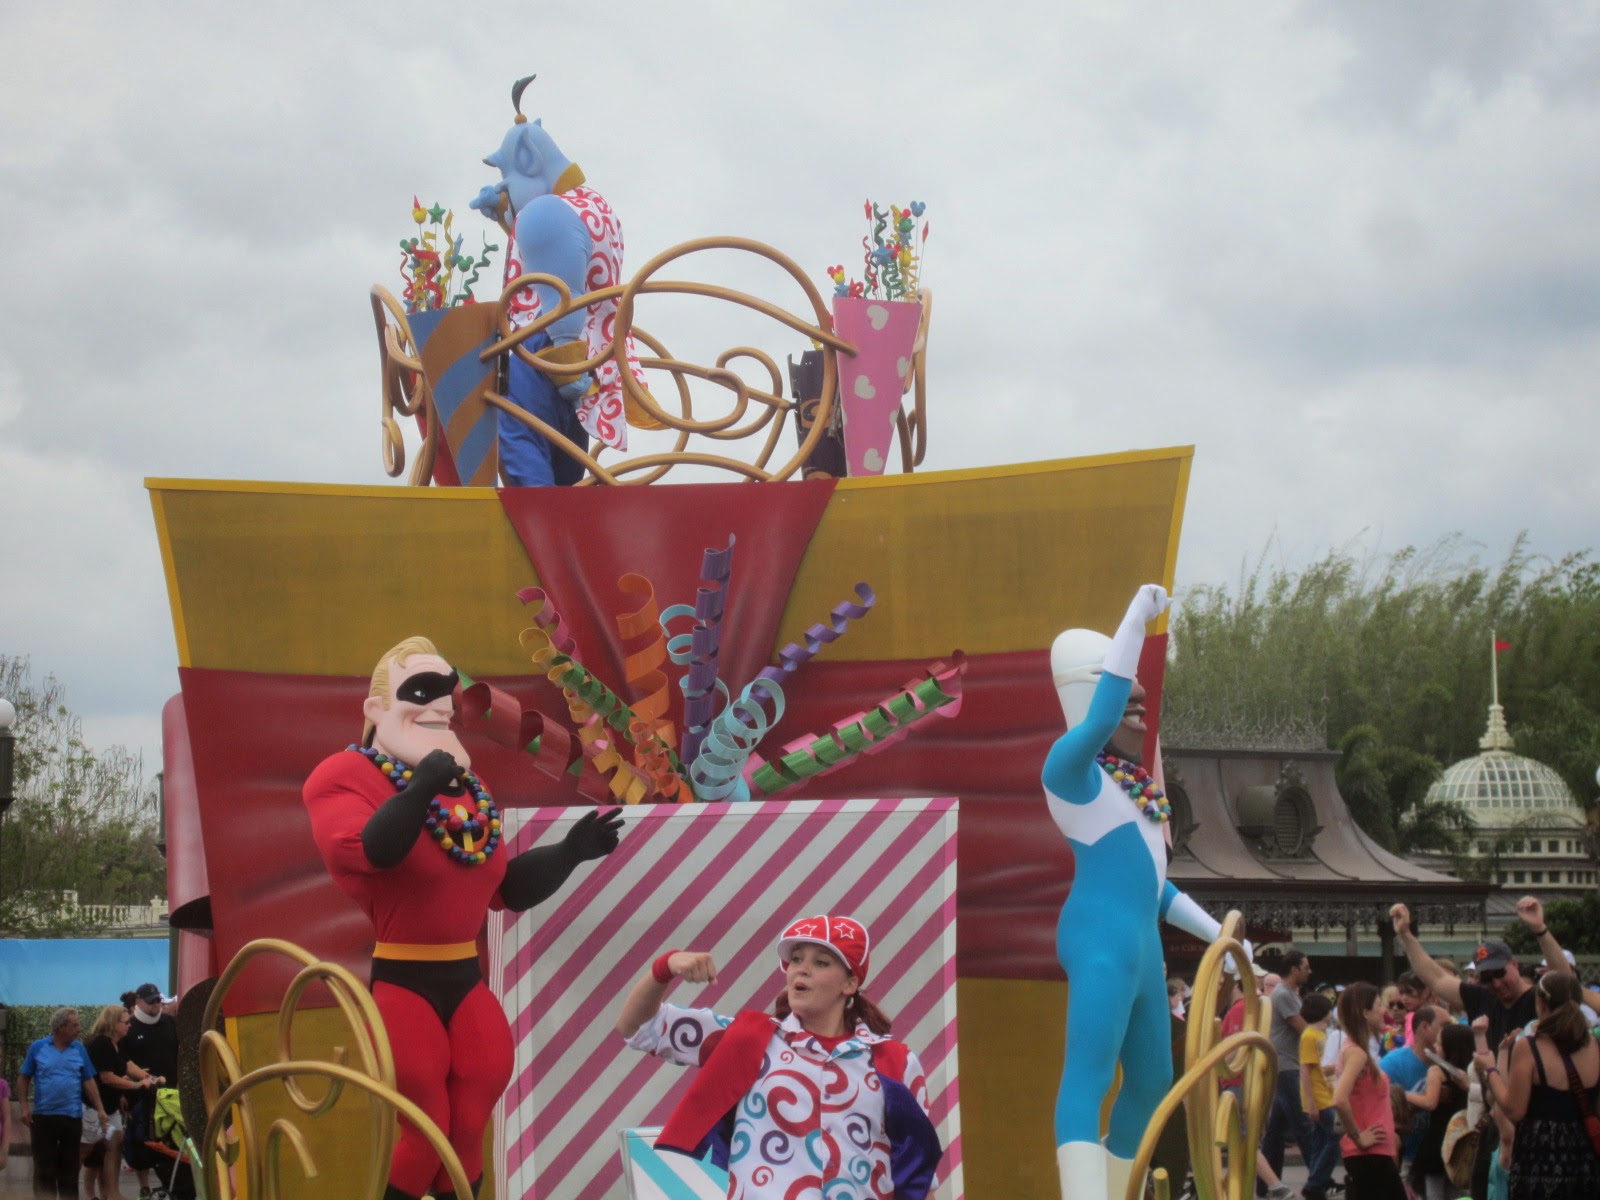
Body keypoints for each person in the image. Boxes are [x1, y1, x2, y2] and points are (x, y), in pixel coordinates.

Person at [303, 636, 625, 1200]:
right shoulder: (343, 775)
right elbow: (373, 850)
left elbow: (503, 890)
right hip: (404, 984)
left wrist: (570, 852)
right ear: (377, 708)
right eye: (421, 691)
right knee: (425, 1132)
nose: (440, 705)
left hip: (465, 981)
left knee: (469, 1127)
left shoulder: (469, 789)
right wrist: (422, 785)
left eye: (447, 693)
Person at [1043, 584, 1240, 1200]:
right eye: (1126, 699)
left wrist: (1223, 939)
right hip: (1100, 940)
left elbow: (1155, 888)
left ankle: (1113, 1189)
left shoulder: (1137, 792)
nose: (1138, 709)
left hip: (1142, 945)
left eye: (1141, 701)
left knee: (1153, 1081)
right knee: (1090, 1077)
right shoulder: (1069, 772)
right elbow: (1100, 719)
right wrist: (1135, 621)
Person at [616, 914, 942, 1200]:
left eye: (821, 962)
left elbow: (921, 1175)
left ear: (850, 983)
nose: (802, 969)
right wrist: (664, 968)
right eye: (796, 959)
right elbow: (638, 1028)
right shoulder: (748, 1040)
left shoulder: (894, 1061)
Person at [1474, 972, 1600, 1200]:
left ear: (1541, 1004)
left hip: (1539, 1158)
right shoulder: (1594, 1045)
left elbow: (1514, 1110)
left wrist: (1490, 1069)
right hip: (1584, 1158)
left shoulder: (1529, 1047)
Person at [17, 1007, 110, 1197]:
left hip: (71, 1116)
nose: (79, 1029)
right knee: (44, 1167)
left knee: (70, 1168)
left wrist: (100, 1109)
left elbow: (88, 1081)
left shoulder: (79, 1049)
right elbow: (24, 1078)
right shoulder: (38, 1047)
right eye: (74, 1025)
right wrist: (24, 1108)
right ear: (61, 1027)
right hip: (44, 1116)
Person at [1331, 983, 1404, 1200]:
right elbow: (1339, 1098)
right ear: (1365, 1012)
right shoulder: (1357, 1053)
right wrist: (1358, 1137)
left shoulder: (1355, 1049)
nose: (1384, 1011)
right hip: (1370, 1154)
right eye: (1379, 1005)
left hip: (1373, 1153)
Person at [84, 1003, 160, 1200]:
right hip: (93, 1107)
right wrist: (136, 1085)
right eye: (126, 1022)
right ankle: (83, 1192)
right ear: (114, 1023)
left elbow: (128, 1066)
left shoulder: (116, 1044)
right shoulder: (101, 1044)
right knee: (89, 1152)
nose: (129, 1026)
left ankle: (111, 1192)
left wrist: (149, 1079)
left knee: (115, 1146)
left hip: (110, 1108)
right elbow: (107, 1077)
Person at [1261, 949, 1319, 1193]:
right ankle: (1319, 1179)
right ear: (1294, 970)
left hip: (1286, 1065)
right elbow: (1303, 1028)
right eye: (1306, 967)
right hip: (1288, 1066)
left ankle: (1266, 1184)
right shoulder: (1284, 994)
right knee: (1304, 1124)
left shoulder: (1289, 994)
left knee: (1275, 1131)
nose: (1309, 971)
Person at [120, 983, 177, 1199]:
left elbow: (179, 1053)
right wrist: (124, 1092)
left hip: (169, 1093)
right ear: (138, 1002)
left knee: (170, 1140)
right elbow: (122, 1063)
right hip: (139, 1095)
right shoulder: (130, 1027)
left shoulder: (170, 1023)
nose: (156, 1004)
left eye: (158, 1000)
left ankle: (169, 1185)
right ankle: (144, 1187)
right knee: (140, 1142)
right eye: (151, 1000)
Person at [1408, 1024, 1474, 1200]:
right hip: (1461, 1138)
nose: (1435, 1047)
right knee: (1456, 1190)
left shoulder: (1436, 1070)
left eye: (1439, 1043)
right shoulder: (1470, 1072)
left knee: (1434, 1193)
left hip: (1439, 1138)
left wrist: (1406, 1094)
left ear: (1449, 1048)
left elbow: (1430, 1103)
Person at [1379, 1003, 1441, 1170]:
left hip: (1437, 1158)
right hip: (1404, 1155)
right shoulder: (1391, 1063)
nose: (1448, 1031)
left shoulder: (1449, 1064)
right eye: (1443, 1026)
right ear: (1425, 1027)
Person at [1298, 992, 1341, 1200]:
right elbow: (1306, 1070)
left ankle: (1316, 1181)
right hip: (1320, 1097)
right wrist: (1311, 1102)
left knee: (1321, 1142)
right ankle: (1315, 1183)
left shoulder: (1322, 1035)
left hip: (1327, 1093)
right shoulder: (1309, 1036)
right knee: (1334, 1138)